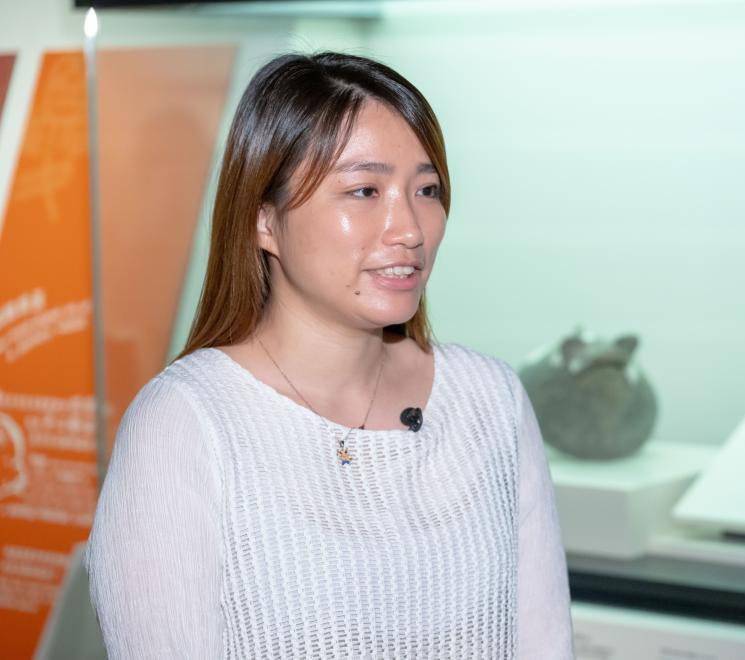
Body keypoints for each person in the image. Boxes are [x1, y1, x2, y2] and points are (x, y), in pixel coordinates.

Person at [84, 51, 574, 659]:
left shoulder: (491, 401)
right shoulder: (186, 423)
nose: (410, 229)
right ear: (265, 221)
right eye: (364, 190)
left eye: (426, 190)